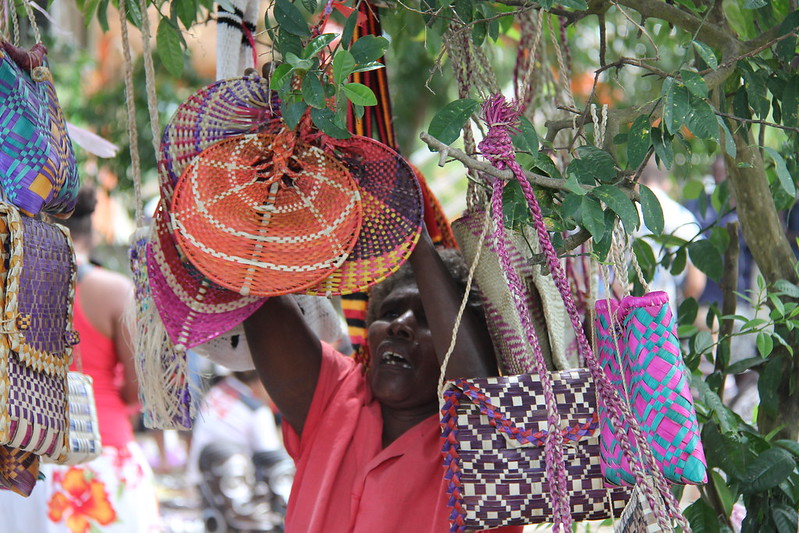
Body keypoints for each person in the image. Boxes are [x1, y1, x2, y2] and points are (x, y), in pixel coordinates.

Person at [243, 227, 523, 532]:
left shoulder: (493, 444)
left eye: (428, 318)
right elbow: (254, 280)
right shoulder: (336, 397)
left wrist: (413, 234)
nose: (399, 326)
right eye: (389, 313)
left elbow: (474, 388)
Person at [0, 187, 161, 532]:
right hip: (102, 452)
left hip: (25, 465)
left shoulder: (9, 291)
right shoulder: (116, 291)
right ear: (93, 229)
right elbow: (138, 393)